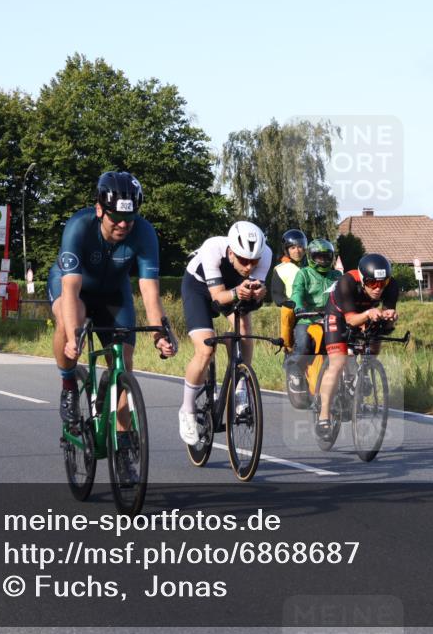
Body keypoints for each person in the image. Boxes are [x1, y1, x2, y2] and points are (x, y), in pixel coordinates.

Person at [49, 172, 176, 478]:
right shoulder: (78, 227)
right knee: (71, 325)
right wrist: (73, 337)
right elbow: (70, 290)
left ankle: (123, 448)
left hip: (114, 296)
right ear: (99, 210)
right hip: (73, 289)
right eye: (116, 218)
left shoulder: (144, 233)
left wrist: (160, 332)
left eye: (129, 218)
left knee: (124, 365)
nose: (122, 225)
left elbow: (149, 291)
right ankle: (68, 382)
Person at [178, 221, 272, 445]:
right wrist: (239, 291)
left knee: (244, 328)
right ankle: (187, 409)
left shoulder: (265, 253)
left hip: (233, 289)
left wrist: (259, 293)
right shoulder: (213, 248)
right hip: (199, 288)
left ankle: (240, 387)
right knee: (206, 349)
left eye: (254, 261)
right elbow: (218, 298)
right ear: (231, 252)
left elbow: (254, 295)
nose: (249, 267)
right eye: (244, 261)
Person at [317, 253, 400, 432]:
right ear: (363, 280)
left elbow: (387, 320)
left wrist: (390, 317)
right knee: (338, 363)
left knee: (378, 333)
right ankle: (324, 415)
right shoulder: (347, 282)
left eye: (382, 283)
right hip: (339, 315)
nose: (378, 288)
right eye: (372, 283)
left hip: (364, 312)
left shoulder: (392, 285)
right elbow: (351, 321)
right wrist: (369, 313)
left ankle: (365, 369)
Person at [289, 239, 341, 388]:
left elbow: (346, 293)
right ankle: (294, 367)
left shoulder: (336, 275)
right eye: (319, 257)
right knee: (304, 344)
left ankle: (352, 377)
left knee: (351, 344)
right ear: (311, 257)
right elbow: (297, 292)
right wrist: (299, 307)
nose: (323, 260)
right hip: (307, 319)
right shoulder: (303, 274)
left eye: (326, 257)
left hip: (332, 319)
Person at [270, 229, 308, 352]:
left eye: (300, 247)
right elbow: (277, 294)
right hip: (294, 312)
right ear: (286, 250)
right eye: (292, 248)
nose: (297, 251)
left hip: (312, 309)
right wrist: (288, 302)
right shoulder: (280, 269)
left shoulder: (311, 267)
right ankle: (287, 346)